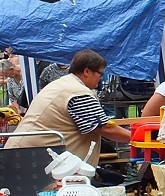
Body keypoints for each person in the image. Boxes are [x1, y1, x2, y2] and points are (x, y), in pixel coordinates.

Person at [3, 49, 131, 164]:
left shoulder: (63, 84)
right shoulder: (77, 92)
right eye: (100, 73)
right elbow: (104, 128)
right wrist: (138, 138)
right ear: (87, 71)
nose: (101, 78)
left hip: (24, 155)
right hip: (31, 160)